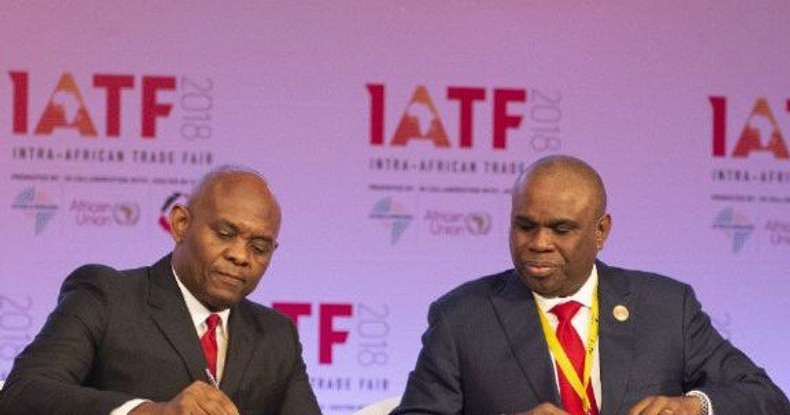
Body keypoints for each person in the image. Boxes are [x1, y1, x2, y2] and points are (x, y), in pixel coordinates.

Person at [392, 155, 790, 415]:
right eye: (524, 225)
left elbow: (767, 399)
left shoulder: (667, 308)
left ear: (601, 231)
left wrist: (695, 406)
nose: (539, 242)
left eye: (561, 229)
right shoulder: (462, 318)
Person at [0, 166, 321, 415]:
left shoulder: (277, 335)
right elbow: (23, 393)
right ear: (180, 224)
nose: (240, 255)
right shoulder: (106, 296)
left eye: (259, 247)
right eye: (225, 233)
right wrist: (149, 411)